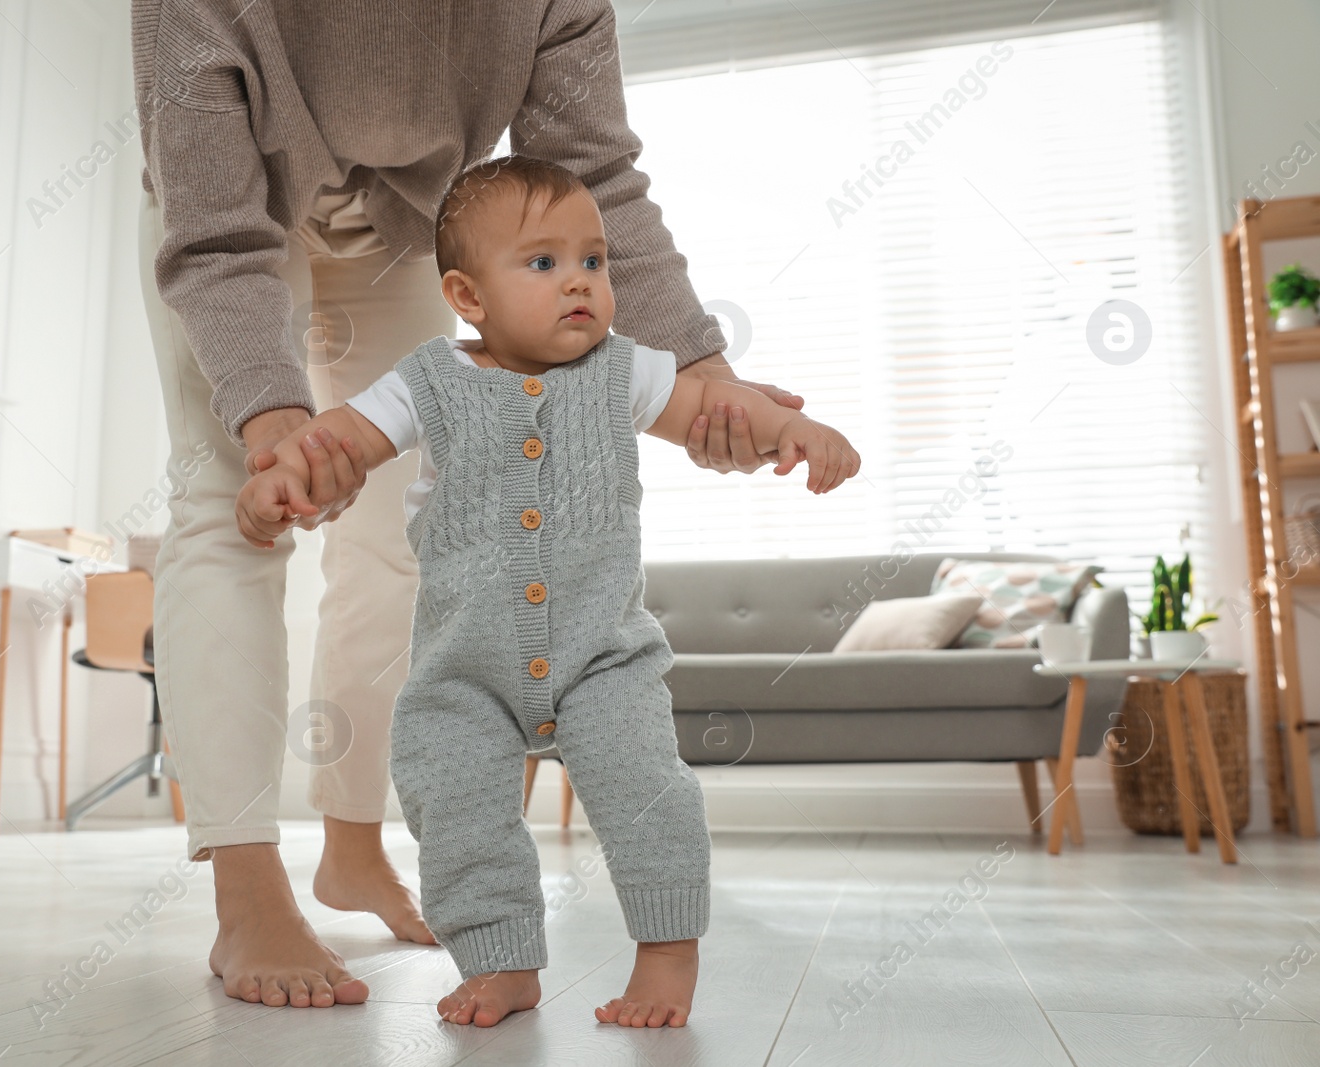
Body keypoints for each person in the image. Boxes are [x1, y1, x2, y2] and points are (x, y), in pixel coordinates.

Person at [133, 0, 809, 1010]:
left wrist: (707, 375)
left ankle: (353, 846)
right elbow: (219, 234)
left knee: (408, 532)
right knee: (232, 501)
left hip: (415, 225)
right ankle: (248, 891)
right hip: (233, 218)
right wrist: (275, 425)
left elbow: (593, 185)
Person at [238, 155, 860, 1028]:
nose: (580, 282)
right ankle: (501, 963)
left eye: (594, 261)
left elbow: (714, 410)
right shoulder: (428, 381)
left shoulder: (627, 371)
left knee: (650, 795)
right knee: (455, 809)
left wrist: (792, 428)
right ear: (467, 293)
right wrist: (289, 471)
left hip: (604, 658)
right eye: (543, 264)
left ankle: (666, 957)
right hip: (463, 673)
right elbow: (344, 435)